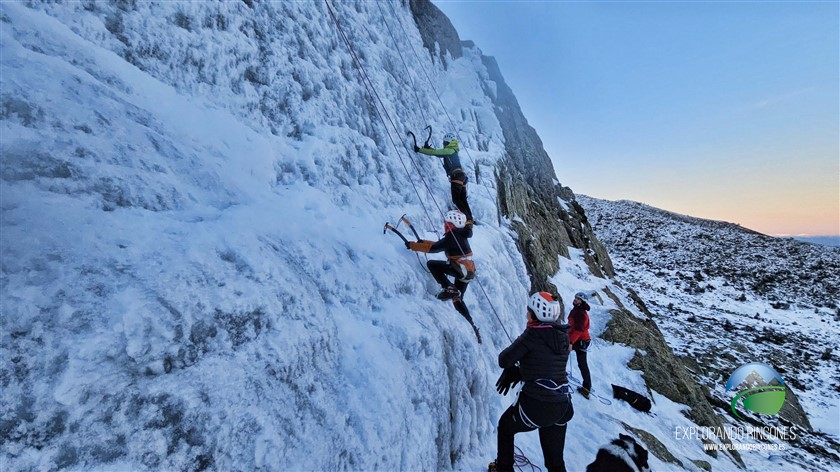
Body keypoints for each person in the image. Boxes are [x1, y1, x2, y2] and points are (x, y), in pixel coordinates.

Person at [490, 292, 574, 472]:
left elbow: (504, 359)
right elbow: (546, 366)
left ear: (535, 314)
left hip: (538, 405)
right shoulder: (562, 335)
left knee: (505, 427)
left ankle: (503, 469)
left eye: (529, 311)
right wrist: (521, 372)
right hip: (562, 406)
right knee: (555, 464)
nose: (527, 314)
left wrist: (514, 369)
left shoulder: (533, 334)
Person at [405, 210, 480, 343]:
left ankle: (448, 287)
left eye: (447, 223)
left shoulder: (452, 236)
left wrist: (413, 246)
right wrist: (422, 242)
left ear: (451, 224)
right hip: (468, 270)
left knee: (432, 265)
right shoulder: (460, 234)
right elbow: (438, 244)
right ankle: (472, 325)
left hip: (460, 268)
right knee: (458, 300)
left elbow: (434, 249)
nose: (445, 224)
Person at [414, 132, 474, 226]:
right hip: (462, 176)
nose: (444, 144)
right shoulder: (453, 150)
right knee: (462, 199)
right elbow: (438, 153)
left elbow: (436, 153)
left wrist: (420, 150)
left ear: (448, 143)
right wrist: (429, 148)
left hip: (456, 176)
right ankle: (470, 219)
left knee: (456, 199)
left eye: (445, 142)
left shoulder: (449, 150)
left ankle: (467, 219)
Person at [569, 291, 592, 399]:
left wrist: (570, 342)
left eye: (578, 299)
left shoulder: (580, 313)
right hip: (582, 340)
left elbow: (578, 330)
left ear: (582, 302)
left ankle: (586, 388)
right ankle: (587, 388)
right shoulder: (578, 310)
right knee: (582, 364)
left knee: (582, 364)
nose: (575, 299)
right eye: (575, 298)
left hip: (580, 340)